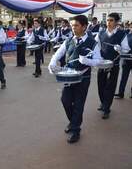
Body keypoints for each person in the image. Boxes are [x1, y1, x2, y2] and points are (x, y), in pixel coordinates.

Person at [48, 15, 103, 144]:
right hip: (69, 76)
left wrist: (87, 61)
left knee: (78, 104)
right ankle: (73, 122)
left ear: (84, 27)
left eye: (76, 25)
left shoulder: (92, 42)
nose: (73, 28)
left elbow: (99, 61)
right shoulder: (68, 41)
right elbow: (58, 54)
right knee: (65, 100)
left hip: (83, 78)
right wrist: (52, 63)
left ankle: (75, 129)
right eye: (72, 25)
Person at [95, 13, 126, 119]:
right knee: (101, 85)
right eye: (107, 20)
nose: (108, 22)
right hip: (102, 63)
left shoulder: (121, 34)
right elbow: (96, 47)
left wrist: (120, 49)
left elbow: (126, 49)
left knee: (110, 86)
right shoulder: (101, 33)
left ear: (117, 22)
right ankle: (103, 102)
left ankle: (106, 108)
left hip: (114, 64)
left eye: (111, 20)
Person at [114, 22, 132, 99]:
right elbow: (122, 45)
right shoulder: (126, 34)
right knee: (124, 77)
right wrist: (119, 48)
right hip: (126, 59)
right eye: (131, 25)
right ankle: (121, 93)